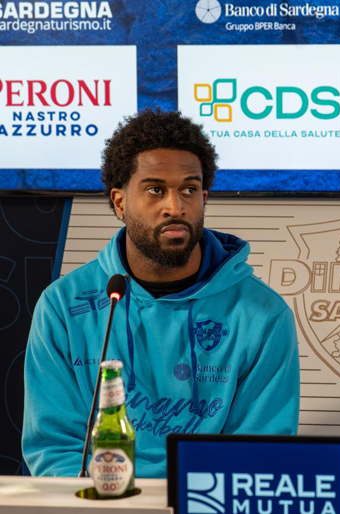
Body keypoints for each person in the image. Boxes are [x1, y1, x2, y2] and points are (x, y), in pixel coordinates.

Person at [22, 109, 300, 477]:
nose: (175, 206)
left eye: (189, 189)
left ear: (204, 197)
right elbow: (55, 446)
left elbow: (258, 451)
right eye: (156, 190)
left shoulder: (263, 315)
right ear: (120, 202)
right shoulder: (62, 306)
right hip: (103, 498)